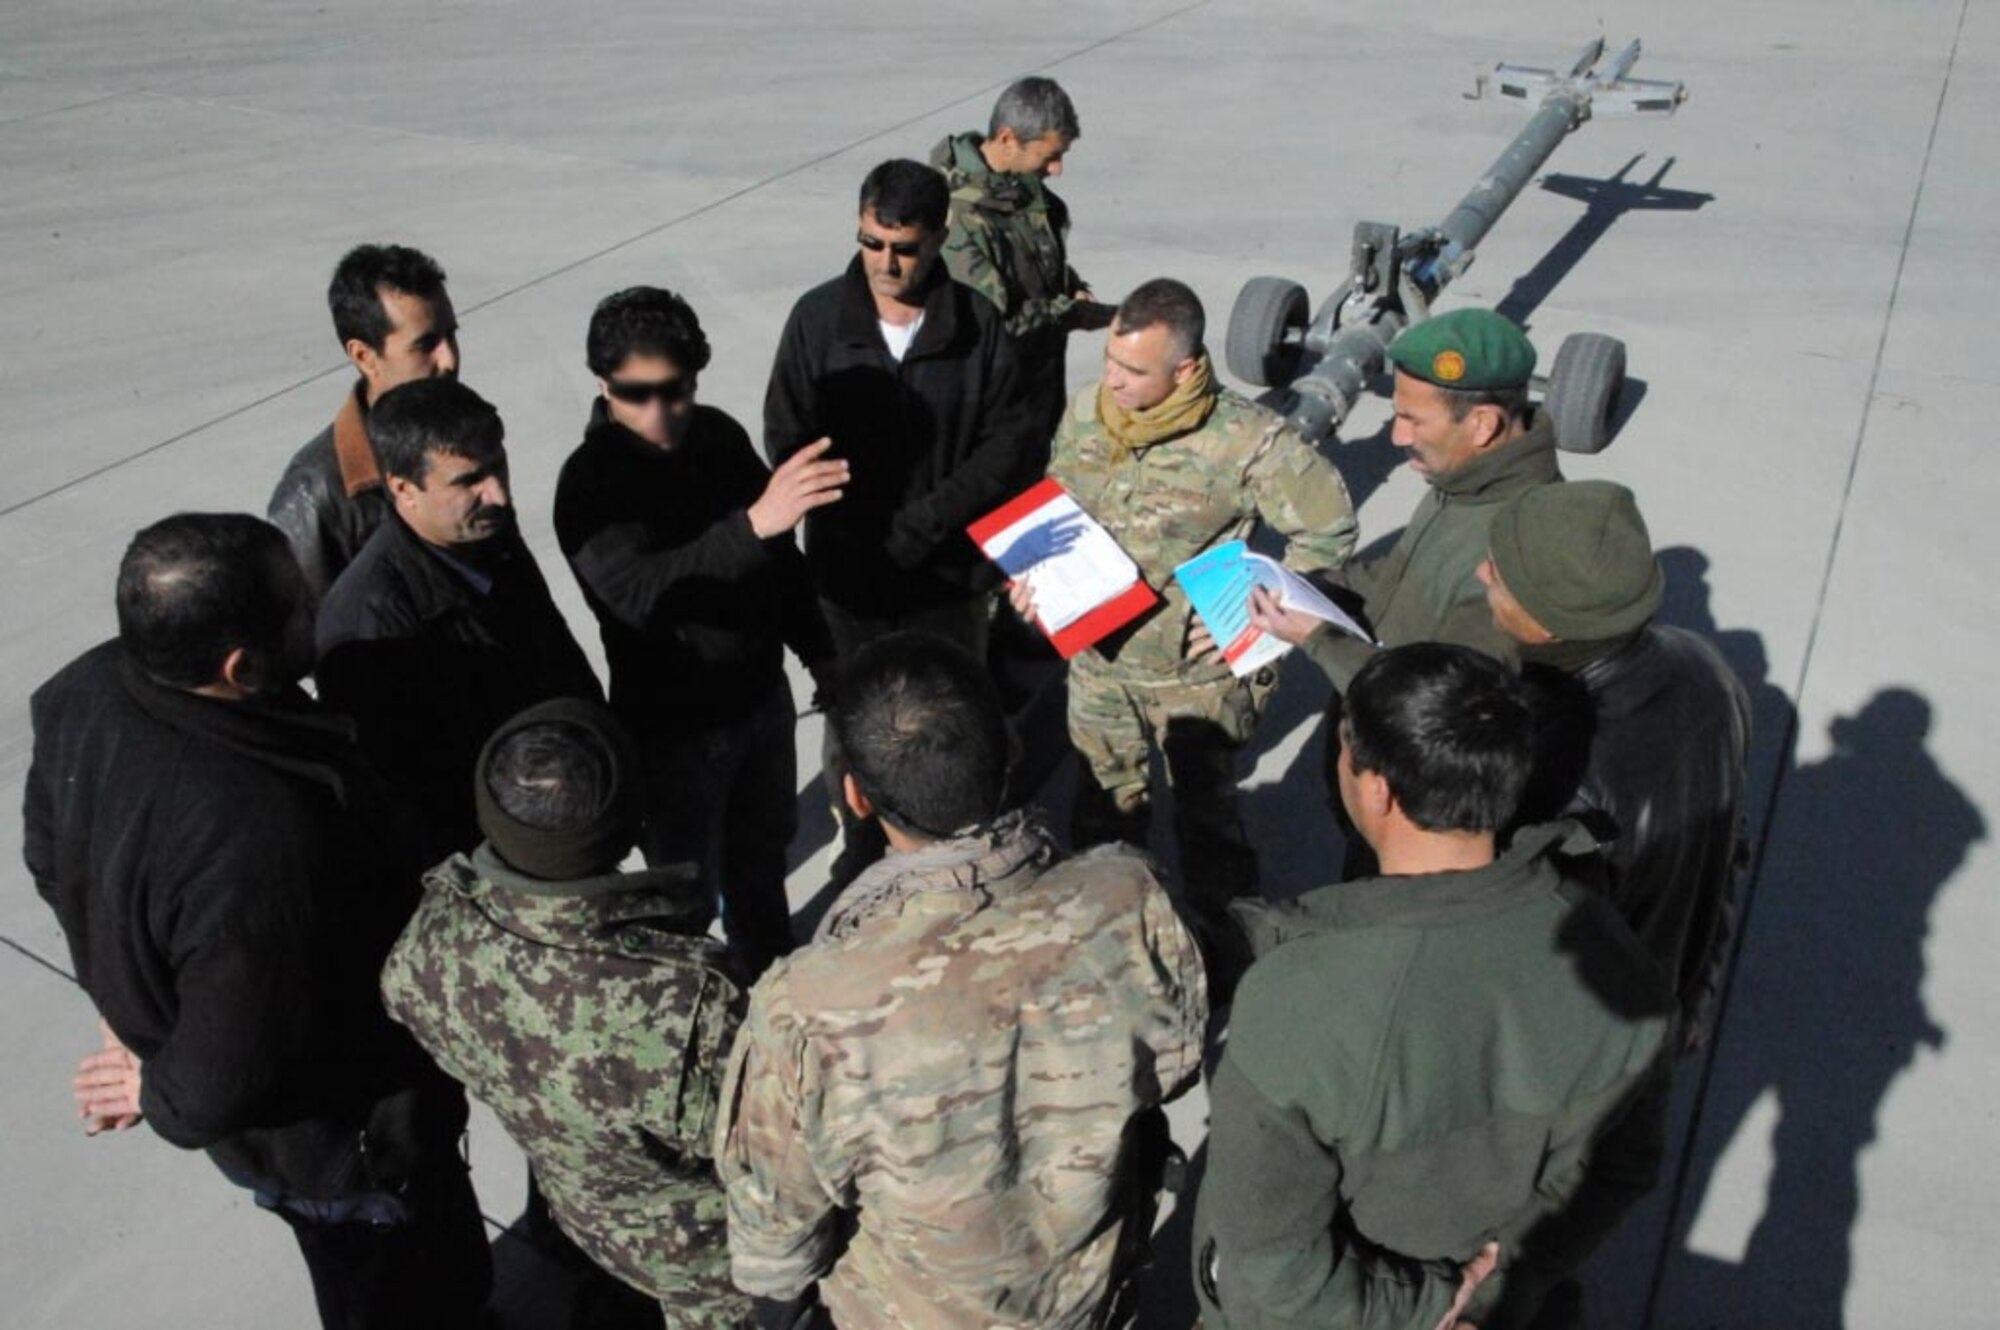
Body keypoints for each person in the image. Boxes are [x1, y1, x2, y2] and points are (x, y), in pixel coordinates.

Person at [24, 514, 490, 1330]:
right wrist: (159, 1082)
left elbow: (51, 859)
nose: (316, 606)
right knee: (398, 1297)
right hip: (349, 1150)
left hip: (320, 1138)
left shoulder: (88, 689)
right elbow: (216, 1085)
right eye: (297, 606)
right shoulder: (263, 837)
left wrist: (119, 1004)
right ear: (240, 667)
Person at [715, 633, 1208, 1330]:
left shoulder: (808, 1006)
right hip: (1092, 1300)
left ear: (855, 796)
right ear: (1010, 749)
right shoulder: (1129, 895)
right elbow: (1175, 1065)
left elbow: (777, 1256)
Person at [1192, 643, 1675, 1330]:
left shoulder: (1295, 998)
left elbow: (1272, 1281)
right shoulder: (1623, 969)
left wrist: (1430, 1306)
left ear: (1376, 788)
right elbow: (1620, 1170)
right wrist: (1497, 1281)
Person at [382, 698, 753, 1328]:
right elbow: (765, 1142)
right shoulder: (683, 1001)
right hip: (701, 1258)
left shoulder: (428, 943)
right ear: (629, 825)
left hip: (576, 1208)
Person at [1023, 277, 1356, 911]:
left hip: (1195, 679)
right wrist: (1034, 575)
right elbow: (1059, 503)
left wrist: (1251, 618)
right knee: (1101, 818)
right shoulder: (1087, 412)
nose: (1113, 382)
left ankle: (1224, 945)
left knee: (1207, 826)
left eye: (1134, 370)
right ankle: (1112, 933)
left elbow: (1327, 529)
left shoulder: (1248, 442)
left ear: (1184, 369)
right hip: (1098, 665)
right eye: (1111, 361)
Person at [764, 158, 1041, 886]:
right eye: (871, 242)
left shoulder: (976, 327)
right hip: (848, 585)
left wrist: (926, 520)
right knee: (855, 729)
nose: (887, 262)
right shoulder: (817, 320)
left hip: (946, 583)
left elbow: (1009, 444)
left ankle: (959, 856)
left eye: (905, 247)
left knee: (951, 721)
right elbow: (788, 432)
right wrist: (853, 522)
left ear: (941, 237)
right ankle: (862, 851)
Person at [554, 287, 840, 978]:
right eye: (635, 393)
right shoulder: (590, 484)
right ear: (603, 383)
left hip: (759, 704)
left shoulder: (715, 435)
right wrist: (753, 525)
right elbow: (638, 596)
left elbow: (779, 564)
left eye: (673, 390)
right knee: (682, 895)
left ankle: (771, 983)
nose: (658, 411)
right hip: (675, 735)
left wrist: (824, 657)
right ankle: (690, 1014)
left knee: (762, 859)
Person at [1480, 480, 1752, 1049]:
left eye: (1500, 575)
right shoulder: (1702, 664)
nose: (1482, 575)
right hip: (1675, 987)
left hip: (1597, 1038)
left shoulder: (1555, 769)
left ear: (1549, 621)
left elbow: (1523, 957)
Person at [316, 378, 601, 862]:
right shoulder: (370, 626)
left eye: (498, 467)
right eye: (469, 480)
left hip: (558, 826)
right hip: (494, 863)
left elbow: (555, 654)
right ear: (403, 488)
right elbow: (409, 798)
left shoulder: (487, 534)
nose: (498, 494)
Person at [1251, 306, 1561, 691]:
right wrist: (1309, 586)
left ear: (1483, 425)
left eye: (1413, 420)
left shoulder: (1521, 550)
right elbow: (1401, 577)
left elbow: (1439, 701)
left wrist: (1319, 641)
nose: (1398, 437)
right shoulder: (1465, 483)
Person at [269, 244, 461, 599]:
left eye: (452, 335)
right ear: (364, 356)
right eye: (427, 344)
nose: (449, 359)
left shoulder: (466, 437)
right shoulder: (315, 496)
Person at [930, 75, 1113, 440]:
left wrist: (1069, 284)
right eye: (1050, 156)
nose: (1057, 168)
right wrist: (1068, 314)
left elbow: (1027, 256)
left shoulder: (1019, 190)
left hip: (1035, 399)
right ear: (1007, 140)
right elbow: (993, 324)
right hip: (991, 417)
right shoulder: (960, 216)